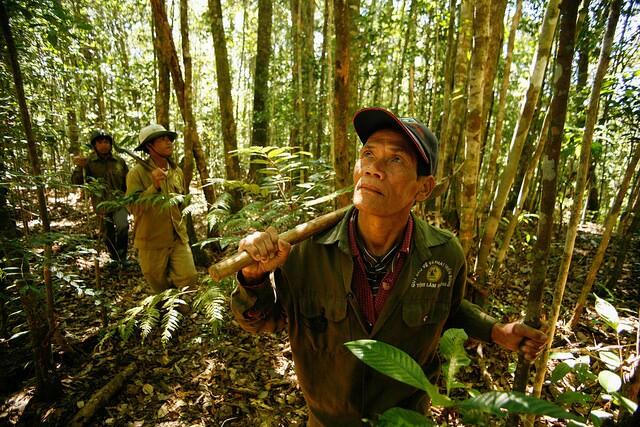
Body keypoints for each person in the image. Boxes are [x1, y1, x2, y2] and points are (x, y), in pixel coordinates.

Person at [230, 107, 548, 426]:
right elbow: (263, 321)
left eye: (395, 159)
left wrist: (497, 332)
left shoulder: (443, 254)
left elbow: (447, 309)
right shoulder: (307, 252)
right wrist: (253, 276)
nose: (374, 168)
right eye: (368, 154)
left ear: (423, 188)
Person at [125, 124, 197, 295]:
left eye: (169, 139)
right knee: (159, 285)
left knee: (189, 278)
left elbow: (182, 203)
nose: (169, 142)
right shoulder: (136, 174)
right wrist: (154, 186)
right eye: (162, 139)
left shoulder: (176, 171)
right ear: (149, 146)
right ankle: (166, 314)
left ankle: (183, 313)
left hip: (178, 237)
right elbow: (133, 207)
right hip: (151, 241)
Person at [72, 130, 129, 267]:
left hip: (119, 202)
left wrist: (130, 199)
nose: (104, 145)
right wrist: (80, 167)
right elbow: (76, 182)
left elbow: (128, 181)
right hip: (101, 205)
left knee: (123, 227)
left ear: (110, 144)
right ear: (94, 145)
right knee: (107, 234)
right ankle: (114, 259)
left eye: (106, 142)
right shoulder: (88, 163)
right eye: (100, 142)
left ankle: (123, 257)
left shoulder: (119, 161)